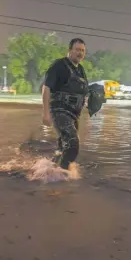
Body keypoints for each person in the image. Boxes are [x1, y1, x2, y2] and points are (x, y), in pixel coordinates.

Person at [42, 38, 88, 170]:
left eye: (83, 51)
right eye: (77, 50)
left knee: (63, 147)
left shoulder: (81, 69)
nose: (80, 53)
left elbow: (83, 90)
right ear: (70, 51)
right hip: (60, 112)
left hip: (74, 116)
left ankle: (49, 170)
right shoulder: (59, 65)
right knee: (73, 145)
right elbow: (46, 88)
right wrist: (45, 113)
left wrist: (85, 100)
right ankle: (62, 173)